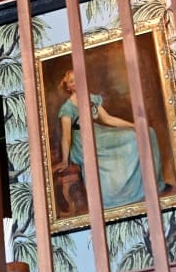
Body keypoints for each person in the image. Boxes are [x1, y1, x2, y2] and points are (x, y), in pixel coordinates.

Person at [54, 70, 145, 212]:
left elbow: (107, 119)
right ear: (69, 87)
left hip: (98, 133)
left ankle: (128, 187)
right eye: (72, 81)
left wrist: (133, 125)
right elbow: (66, 136)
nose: (76, 83)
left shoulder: (92, 99)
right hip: (81, 142)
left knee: (133, 136)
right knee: (128, 140)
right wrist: (65, 160)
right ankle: (110, 196)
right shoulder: (67, 108)